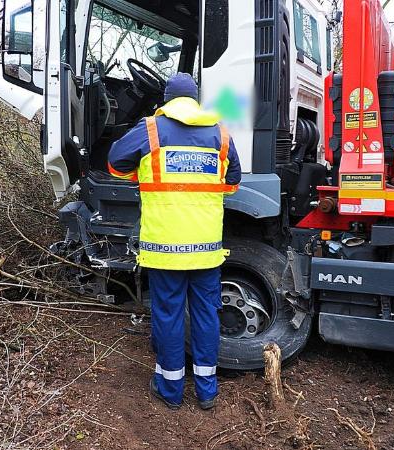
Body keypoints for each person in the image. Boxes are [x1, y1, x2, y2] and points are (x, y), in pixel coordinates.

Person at [107, 73, 241, 410]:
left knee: (167, 315)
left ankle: (170, 390)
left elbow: (114, 164)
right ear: (196, 99)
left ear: (167, 99)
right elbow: (233, 182)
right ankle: (207, 390)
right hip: (207, 249)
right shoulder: (220, 133)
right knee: (207, 314)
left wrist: (142, 172)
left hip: (165, 249)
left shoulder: (151, 128)